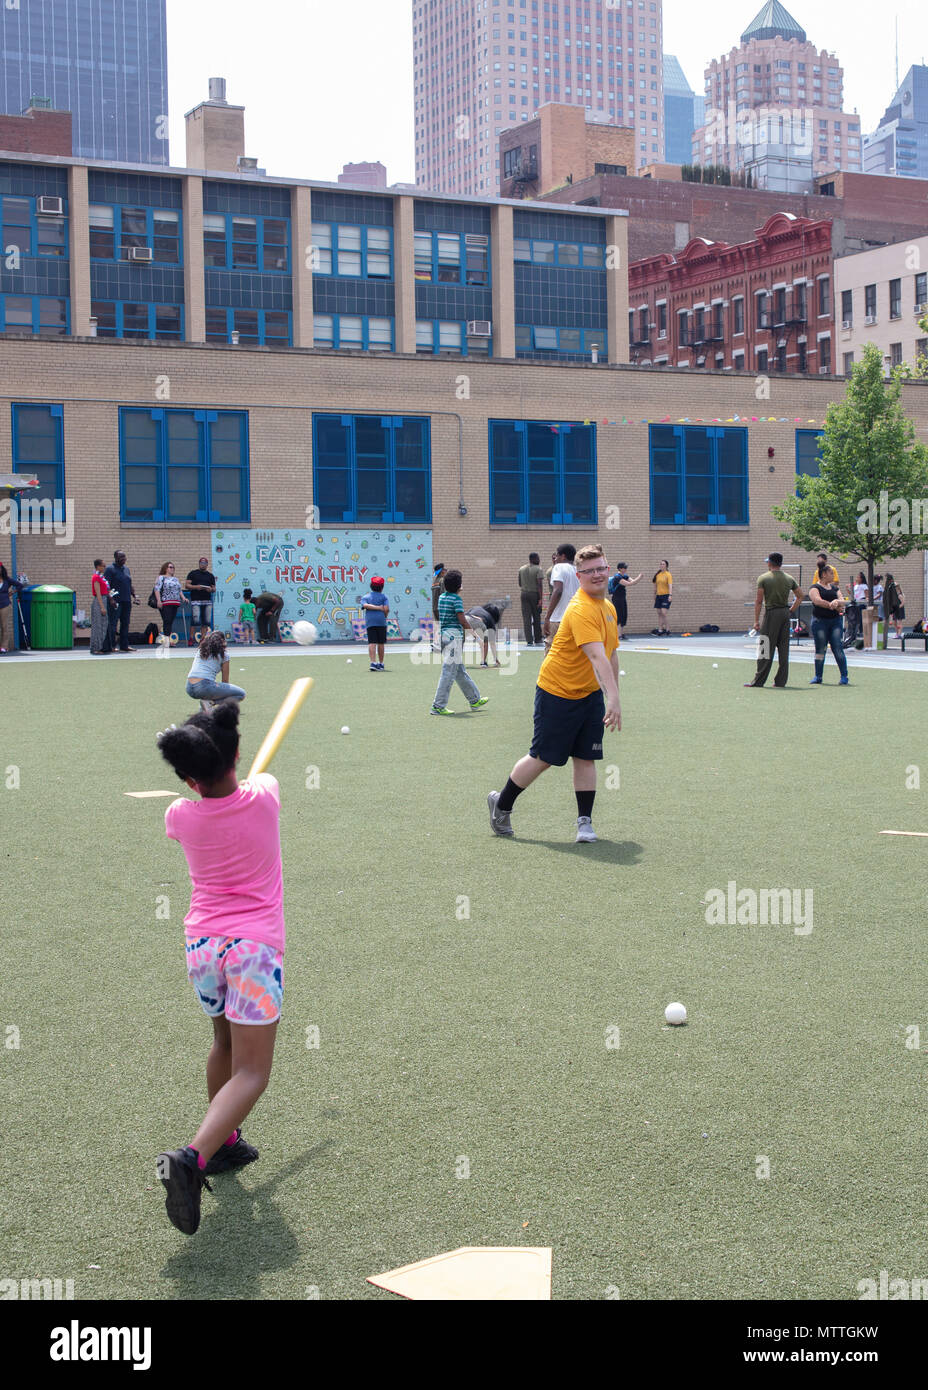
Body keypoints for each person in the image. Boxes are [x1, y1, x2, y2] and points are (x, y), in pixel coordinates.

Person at [155, 700, 283, 1234]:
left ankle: (225, 1143)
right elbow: (263, 781)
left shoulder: (179, 816)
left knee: (224, 1046)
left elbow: (207, 803)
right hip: (253, 949)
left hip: (203, 945)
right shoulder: (265, 797)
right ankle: (192, 1156)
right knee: (253, 1071)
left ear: (188, 777)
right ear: (236, 756)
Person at [487, 543, 620, 844]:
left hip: (588, 695)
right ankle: (502, 804)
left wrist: (614, 696)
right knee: (543, 757)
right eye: (590, 571)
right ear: (579, 575)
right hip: (557, 693)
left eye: (602, 568)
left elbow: (611, 654)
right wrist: (613, 698)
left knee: (586, 757)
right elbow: (597, 657)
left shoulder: (608, 609)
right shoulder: (581, 609)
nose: (597, 575)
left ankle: (584, 824)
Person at [430, 569, 489, 715]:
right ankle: (438, 705)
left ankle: (474, 699)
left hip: (444, 636)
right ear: (458, 586)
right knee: (448, 672)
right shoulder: (456, 599)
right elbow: (462, 620)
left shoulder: (442, 597)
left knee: (459, 671)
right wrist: (475, 635)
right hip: (453, 637)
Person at [744, 552, 804, 689]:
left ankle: (759, 680)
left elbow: (759, 601)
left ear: (770, 563)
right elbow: (800, 596)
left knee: (764, 646)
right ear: (781, 563)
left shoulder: (764, 578)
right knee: (783, 648)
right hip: (785, 613)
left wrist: (756, 621)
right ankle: (781, 681)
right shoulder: (789, 578)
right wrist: (791, 610)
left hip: (771, 613)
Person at [808, 565, 850, 685]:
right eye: (831, 573)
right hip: (819, 622)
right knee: (821, 649)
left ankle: (844, 676)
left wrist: (838, 602)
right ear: (824, 574)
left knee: (837, 647)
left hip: (835, 622)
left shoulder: (835, 588)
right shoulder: (814, 588)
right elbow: (817, 601)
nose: (833, 575)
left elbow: (843, 601)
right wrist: (832, 605)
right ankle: (818, 676)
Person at [186, 631, 246, 710]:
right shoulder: (224, 655)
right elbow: (225, 682)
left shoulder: (200, 651)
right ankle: (210, 703)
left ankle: (205, 704)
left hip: (189, 687)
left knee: (212, 686)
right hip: (204, 686)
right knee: (241, 694)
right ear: (223, 642)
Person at [543, 543, 579, 649]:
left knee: (551, 649)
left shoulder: (559, 567)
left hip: (559, 618)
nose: (555, 558)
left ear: (563, 556)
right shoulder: (578, 570)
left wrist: (547, 618)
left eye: (557, 555)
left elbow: (558, 590)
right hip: (575, 617)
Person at [104, 549, 139, 652]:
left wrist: (135, 596)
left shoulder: (126, 569)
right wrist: (111, 599)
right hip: (115, 601)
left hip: (126, 600)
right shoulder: (110, 569)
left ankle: (124, 645)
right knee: (113, 624)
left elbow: (129, 584)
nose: (124, 559)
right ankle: (111, 646)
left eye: (124, 557)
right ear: (115, 558)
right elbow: (106, 586)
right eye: (121, 557)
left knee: (125, 623)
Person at [361, 575, 389, 670]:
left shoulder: (366, 596)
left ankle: (373, 662)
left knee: (372, 642)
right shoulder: (384, 597)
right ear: (382, 587)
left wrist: (376, 608)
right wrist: (383, 613)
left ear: (371, 586)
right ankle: (381, 663)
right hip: (381, 622)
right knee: (381, 643)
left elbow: (365, 605)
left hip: (370, 622)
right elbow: (386, 609)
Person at [608, 562, 643, 639]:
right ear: (620, 569)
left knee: (624, 615)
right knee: (619, 615)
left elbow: (633, 582)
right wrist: (639, 577)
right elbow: (629, 584)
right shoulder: (617, 577)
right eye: (624, 568)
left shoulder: (625, 576)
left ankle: (621, 633)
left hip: (622, 598)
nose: (626, 569)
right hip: (617, 598)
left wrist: (638, 579)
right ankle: (618, 635)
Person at [185, 558, 216, 638]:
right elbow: (187, 585)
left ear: (207, 564)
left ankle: (203, 639)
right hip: (196, 601)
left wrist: (211, 590)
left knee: (206, 621)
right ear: (199, 563)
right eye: (202, 563)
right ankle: (191, 638)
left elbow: (214, 588)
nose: (203, 564)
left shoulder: (210, 575)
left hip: (207, 601)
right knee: (195, 621)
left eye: (205, 563)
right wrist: (196, 587)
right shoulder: (193, 573)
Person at [518, 552, 544, 646]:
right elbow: (539, 585)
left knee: (526, 618)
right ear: (534, 559)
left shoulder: (521, 569)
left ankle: (529, 640)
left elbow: (520, 583)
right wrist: (541, 599)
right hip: (534, 594)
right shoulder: (538, 569)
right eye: (538, 558)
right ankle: (538, 639)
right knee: (536, 617)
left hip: (524, 594)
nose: (539, 560)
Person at [466, 601, 504, 666]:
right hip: (478, 622)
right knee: (485, 643)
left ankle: (455, 662)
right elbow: (492, 644)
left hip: (465, 619)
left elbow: (466, 614)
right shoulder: (490, 619)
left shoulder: (477, 607)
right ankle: (483, 662)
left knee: (459, 642)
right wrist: (495, 659)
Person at [155, 562, 183, 640]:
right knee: (167, 620)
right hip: (166, 602)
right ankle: (166, 640)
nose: (172, 569)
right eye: (170, 567)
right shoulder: (161, 577)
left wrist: (183, 598)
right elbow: (157, 589)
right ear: (166, 568)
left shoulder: (175, 579)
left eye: (173, 567)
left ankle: (167, 639)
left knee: (170, 621)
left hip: (175, 602)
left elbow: (179, 590)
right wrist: (158, 601)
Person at [89, 559, 112, 654]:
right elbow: (98, 593)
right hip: (99, 602)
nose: (104, 567)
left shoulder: (102, 577)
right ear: (98, 566)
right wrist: (102, 607)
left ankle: (101, 646)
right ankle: (95, 648)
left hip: (105, 600)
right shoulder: (96, 577)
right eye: (103, 566)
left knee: (103, 625)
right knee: (97, 626)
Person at [0, 561, 23, 654]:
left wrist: (12, 592)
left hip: (5, 605)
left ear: (2, 569)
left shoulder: (7, 580)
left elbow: (19, 585)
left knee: (4, 626)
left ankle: (4, 647)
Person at [652, 560, 673, 634]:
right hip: (658, 596)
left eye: (663, 564)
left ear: (666, 566)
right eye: (660, 564)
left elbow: (670, 585)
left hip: (666, 596)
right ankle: (660, 630)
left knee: (664, 613)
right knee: (659, 613)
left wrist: (670, 595)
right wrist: (654, 594)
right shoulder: (658, 575)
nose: (661, 565)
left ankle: (668, 629)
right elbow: (655, 586)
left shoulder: (668, 574)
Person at [883, 573, 906, 640]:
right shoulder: (894, 595)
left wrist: (899, 606)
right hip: (895, 609)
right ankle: (897, 633)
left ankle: (899, 634)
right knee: (894, 622)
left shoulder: (899, 595)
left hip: (899, 609)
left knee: (899, 622)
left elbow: (903, 603)